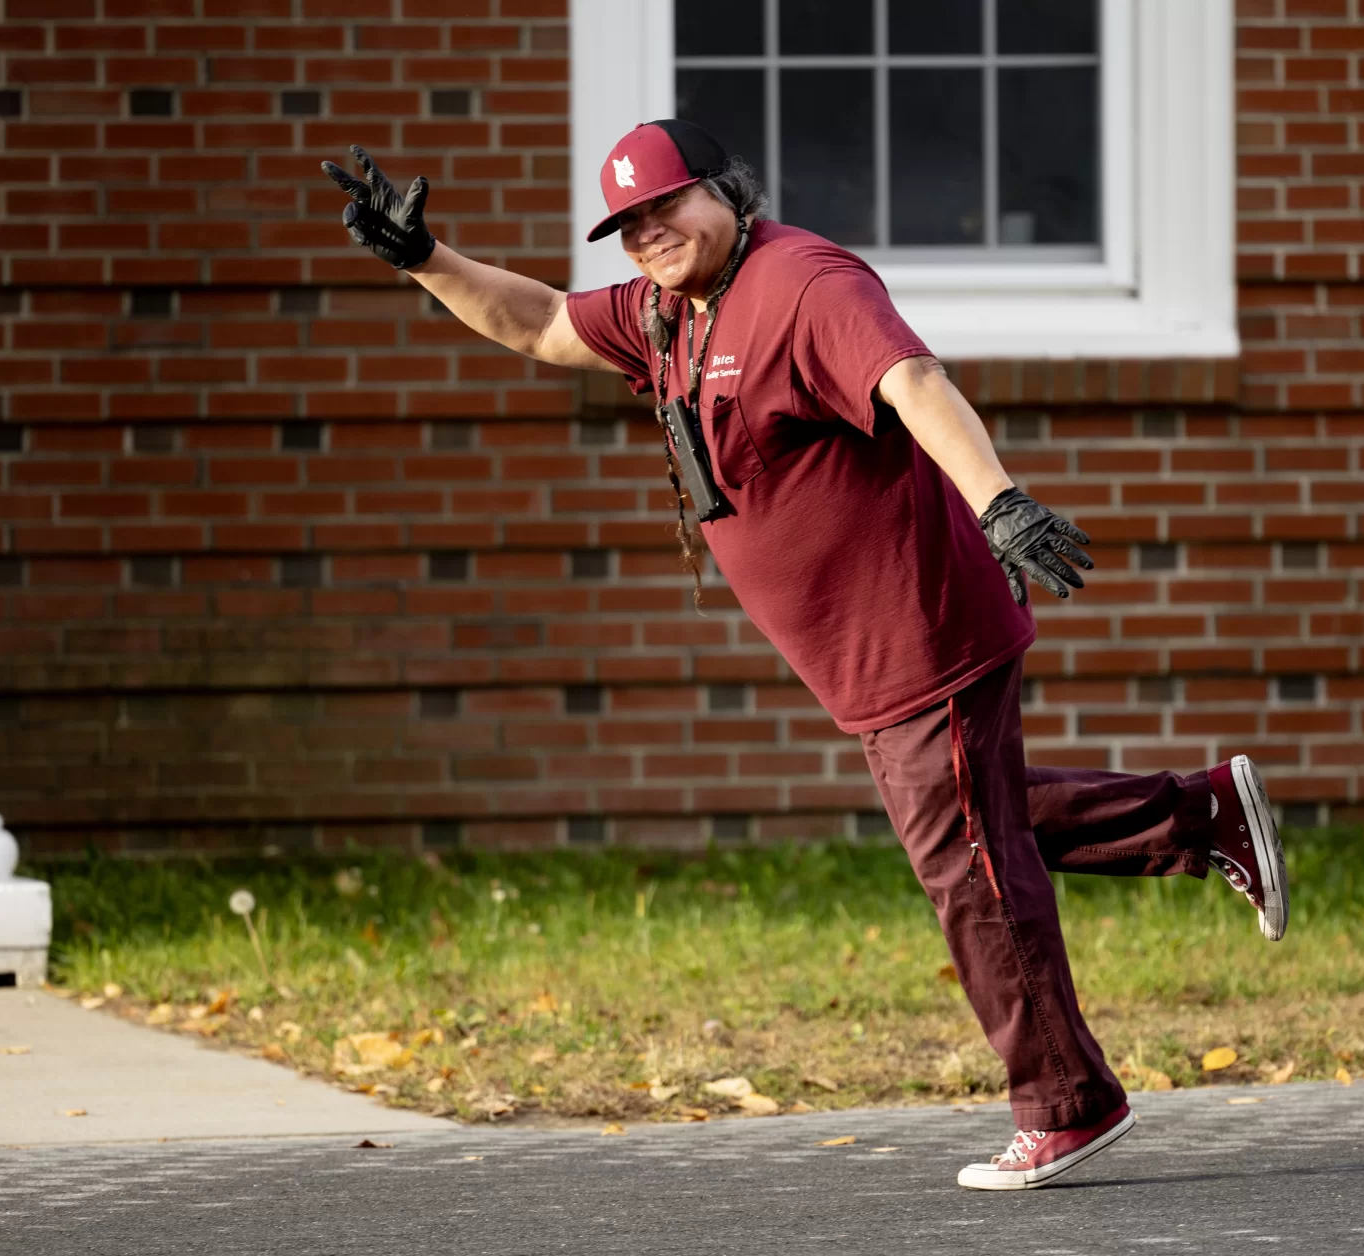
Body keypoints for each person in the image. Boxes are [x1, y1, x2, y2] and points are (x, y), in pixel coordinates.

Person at [323, 120, 1289, 1191]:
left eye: (668, 207)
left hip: (918, 636)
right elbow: (545, 319)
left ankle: (1066, 1101)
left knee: (964, 865)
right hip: (863, 655)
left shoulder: (802, 283)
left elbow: (910, 380)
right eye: (629, 223)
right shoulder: (666, 310)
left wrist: (1000, 504)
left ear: (725, 194)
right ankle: (1201, 815)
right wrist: (426, 261)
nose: (649, 233)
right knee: (979, 818)